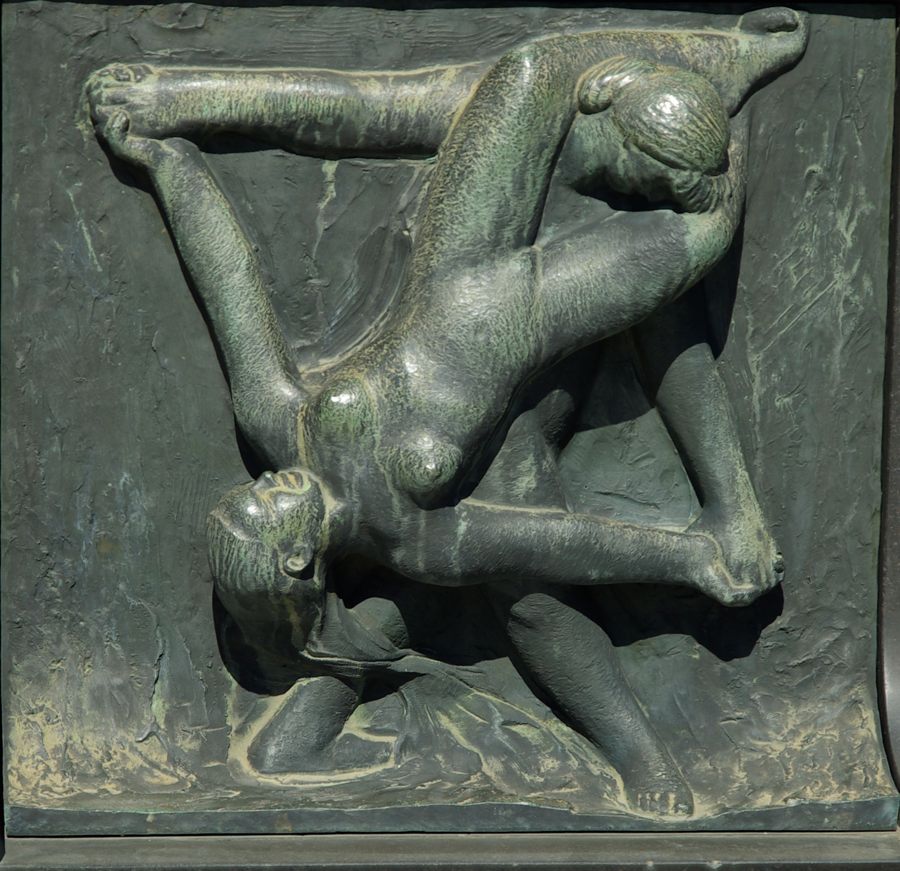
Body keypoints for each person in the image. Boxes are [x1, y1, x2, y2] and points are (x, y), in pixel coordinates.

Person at [85, 8, 806, 815]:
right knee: (703, 223)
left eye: (248, 490)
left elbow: (231, 289)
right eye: (262, 509)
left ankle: (718, 58)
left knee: (527, 74)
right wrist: (691, 557)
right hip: (523, 309)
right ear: (297, 561)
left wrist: (169, 164)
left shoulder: (279, 423)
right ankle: (642, 754)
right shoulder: (417, 539)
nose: (263, 484)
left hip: (459, 255)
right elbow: (553, 541)